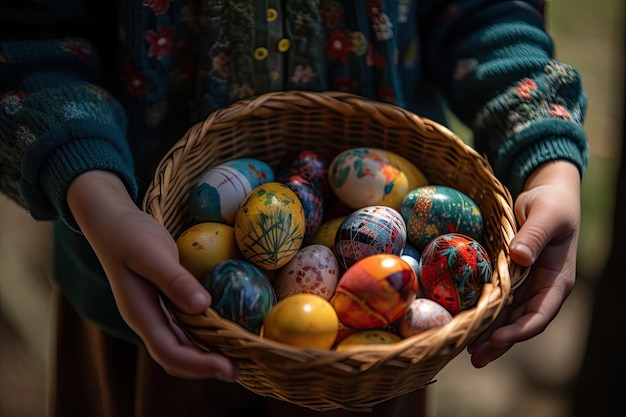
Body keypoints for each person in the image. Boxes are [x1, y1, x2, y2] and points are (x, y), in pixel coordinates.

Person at [0, 1, 588, 416]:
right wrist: (94, 192)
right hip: (142, 290)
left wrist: (546, 156)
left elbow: (485, 12)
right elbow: (33, 26)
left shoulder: (388, 306)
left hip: (373, 363)